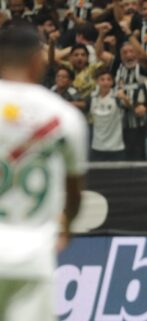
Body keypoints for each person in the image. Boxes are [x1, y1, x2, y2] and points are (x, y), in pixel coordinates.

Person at [0, 25, 87, 321]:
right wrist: (66, 226)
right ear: (39, 61)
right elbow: (74, 195)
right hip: (32, 260)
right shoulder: (64, 118)